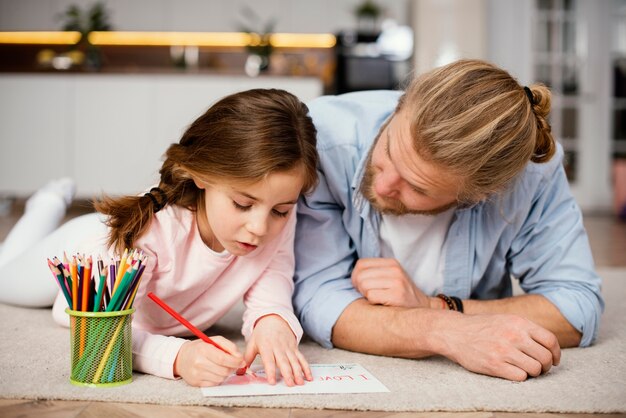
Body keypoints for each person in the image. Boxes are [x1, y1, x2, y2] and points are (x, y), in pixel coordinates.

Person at [293, 59, 604, 382]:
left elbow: (577, 308)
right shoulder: (321, 139)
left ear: (480, 195)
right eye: (388, 148)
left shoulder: (532, 174)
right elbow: (318, 299)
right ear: (400, 105)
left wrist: (435, 305)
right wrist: (448, 330)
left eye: (417, 187)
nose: (383, 186)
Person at [0, 88, 318, 388]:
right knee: (5, 273)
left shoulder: (274, 218)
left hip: (109, 242)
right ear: (202, 175)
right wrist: (178, 357)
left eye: (281, 211)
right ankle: (46, 204)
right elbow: (101, 332)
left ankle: (47, 204)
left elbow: (273, 280)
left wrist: (273, 320)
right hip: (83, 247)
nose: (260, 227)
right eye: (242, 204)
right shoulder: (147, 236)